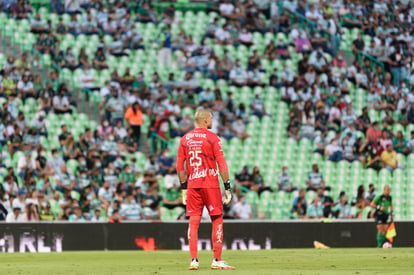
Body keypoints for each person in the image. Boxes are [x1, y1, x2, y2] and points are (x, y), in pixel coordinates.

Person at [176, 109, 235, 270]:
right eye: (211, 118)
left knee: (193, 222)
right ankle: (216, 260)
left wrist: (184, 188)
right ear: (205, 120)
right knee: (217, 220)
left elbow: (179, 166)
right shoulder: (212, 138)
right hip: (210, 184)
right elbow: (221, 163)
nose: (212, 121)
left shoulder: (185, 139)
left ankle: (194, 260)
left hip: (193, 185)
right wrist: (227, 186)